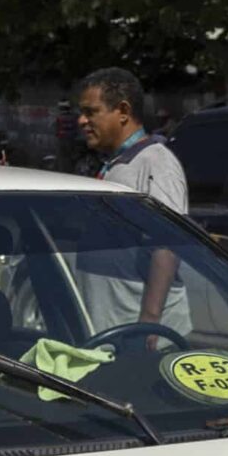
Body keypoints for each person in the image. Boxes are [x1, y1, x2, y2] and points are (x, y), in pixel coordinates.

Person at [72, 66, 189, 340]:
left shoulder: (155, 162)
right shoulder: (117, 164)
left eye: (91, 112)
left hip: (141, 334)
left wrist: (149, 323)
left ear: (123, 111)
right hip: (115, 326)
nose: (81, 121)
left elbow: (167, 244)